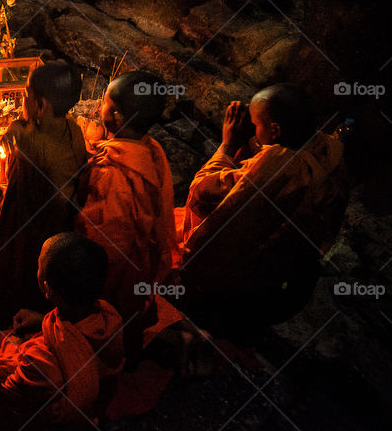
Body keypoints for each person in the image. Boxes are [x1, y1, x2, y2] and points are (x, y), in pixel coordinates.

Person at [177, 84, 349, 330]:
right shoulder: (330, 152)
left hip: (240, 290)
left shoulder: (276, 166)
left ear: (275, 130)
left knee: (173, 236)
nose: (252, 128)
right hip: (289, 285)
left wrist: (227, 144)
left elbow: (202, 192)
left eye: (256, 123)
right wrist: (256, 136)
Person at [0, 233, 125, 429]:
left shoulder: (39, 362)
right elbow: (78, 341)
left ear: (47, 288)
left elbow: (0, 397)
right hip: (88, 404)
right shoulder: (110, 317)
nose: (37, 268)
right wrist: (42, 321)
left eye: (39, 266)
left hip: (39, 419)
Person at [75, 72, 182, 359]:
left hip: (117, 268)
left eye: (105, 104)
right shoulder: (151, 148)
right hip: (144, 260)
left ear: (118, 117)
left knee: (115, 316)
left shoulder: (113, 173)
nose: (99, 108)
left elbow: (107, 237)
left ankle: (117, 356)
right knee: (133, 309)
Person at [0, 60, 89, 325]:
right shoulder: (74, 129)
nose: (22, 100)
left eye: (26, 95)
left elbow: (15, 209)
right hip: (62, 225)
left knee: (1, 257)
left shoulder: (29, 143)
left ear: (40, 105)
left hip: (31, 232)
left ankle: (0, 313)